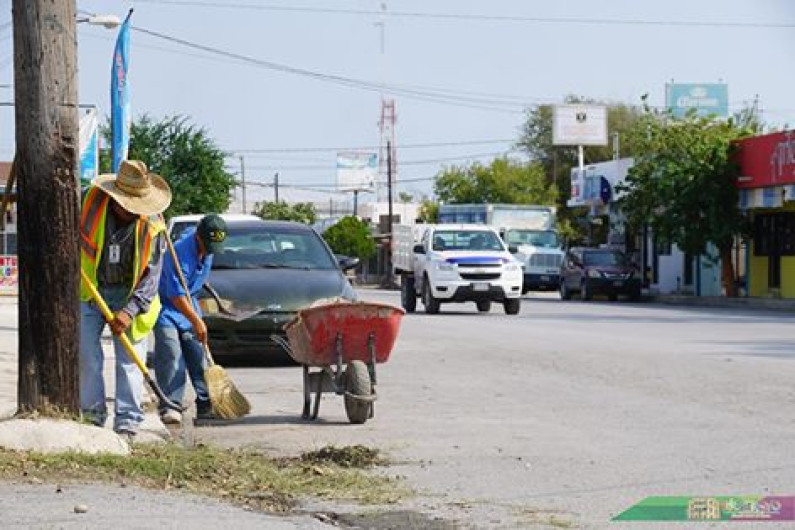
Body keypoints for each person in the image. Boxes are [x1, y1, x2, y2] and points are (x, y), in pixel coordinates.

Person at [79, 160, 171, 438]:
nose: (131, 212)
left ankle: (128, 422)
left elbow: (152, 277)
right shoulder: (88, 205)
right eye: (126, 205)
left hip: (131, 296)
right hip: (90, 289)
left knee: (129, 361)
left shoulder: (153, 226)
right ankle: (93, 416)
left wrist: (129, 311)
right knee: (87, 357)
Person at [153, 214, 227, 425]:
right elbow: (176, 295)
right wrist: (196, 321)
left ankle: (205, 404)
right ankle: (171, 405)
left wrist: (195, 318)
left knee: (198, 356)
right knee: (171, 355)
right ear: (198, 237)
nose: (208, 251)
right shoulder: (179, 253)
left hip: (190, 304)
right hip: (167, 307)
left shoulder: (209, 249)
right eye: (207, 245)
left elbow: (196, 280)